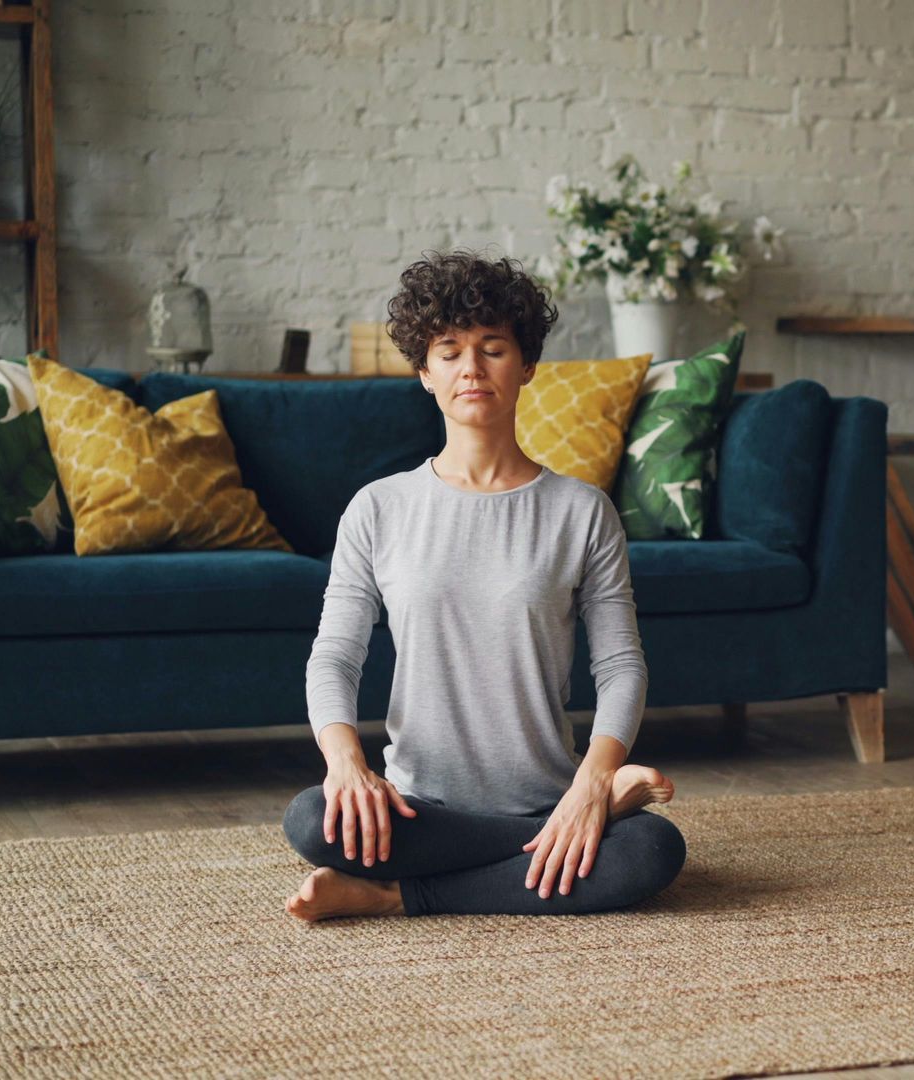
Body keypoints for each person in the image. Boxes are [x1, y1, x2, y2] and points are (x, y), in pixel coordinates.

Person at [281, 250, 685, 922]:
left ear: (525, 366)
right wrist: (346, 764)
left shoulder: (582, 512)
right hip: (416, 807)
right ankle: (566, 834)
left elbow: (620, 665)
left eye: (493, 348)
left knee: (651, 852)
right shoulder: (378, 508)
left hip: (542, 792)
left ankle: (399, 896)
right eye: (449, 350)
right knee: (314, 818)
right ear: (424, 371)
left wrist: (588, 781)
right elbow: (335, 655)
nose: (471, 367)